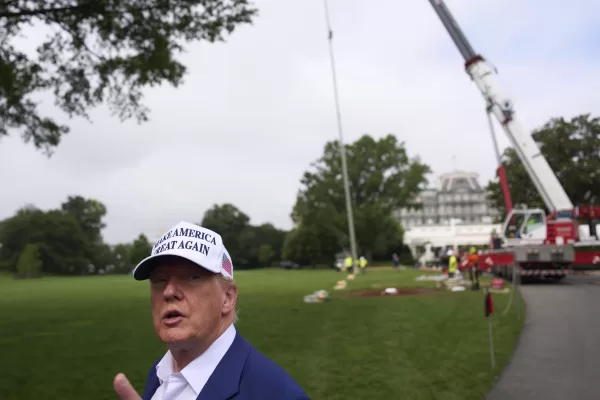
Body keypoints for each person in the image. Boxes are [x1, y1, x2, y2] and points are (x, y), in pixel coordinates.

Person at [113, 221, 310, 400]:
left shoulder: (276, 394)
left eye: (191, 277)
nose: (169, 291)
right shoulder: (161, 372)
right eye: (159, 280)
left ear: (228, 298)